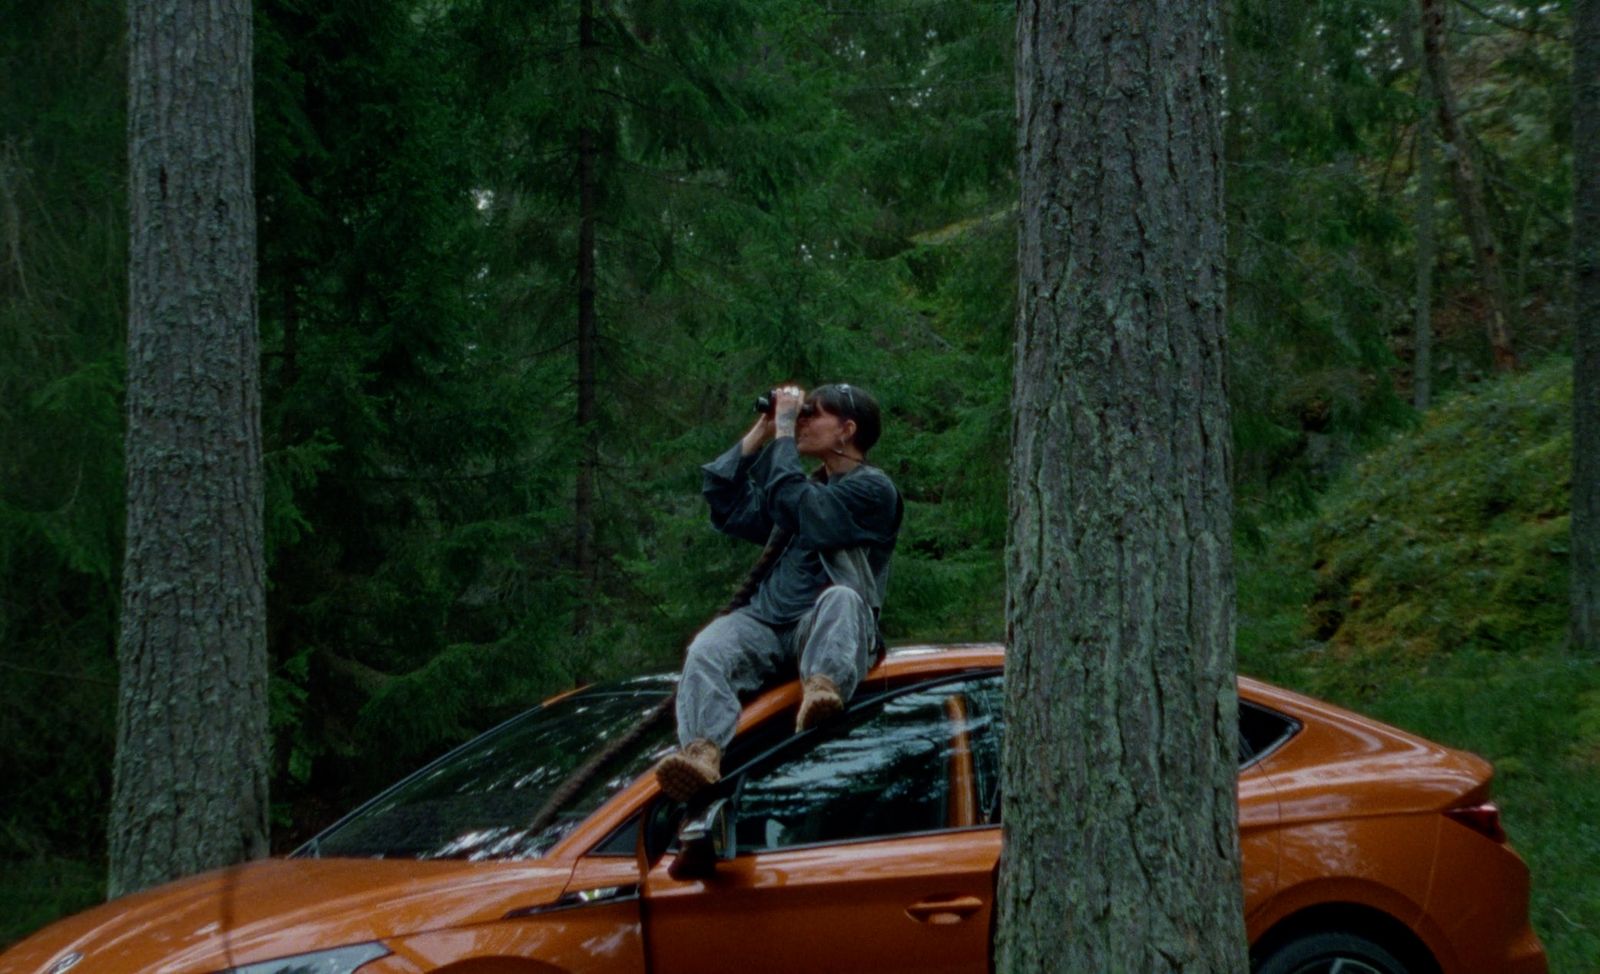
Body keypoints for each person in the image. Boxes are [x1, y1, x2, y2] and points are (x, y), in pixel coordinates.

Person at [654, 383, 902, 802]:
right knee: (708, 648)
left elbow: (801, 505)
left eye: (812, 414)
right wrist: (764, 429)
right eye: (800, 414)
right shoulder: (803, 486)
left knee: (841, 597)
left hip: (823, 627)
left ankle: (825, 688)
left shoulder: (873, 490)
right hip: (768, 623)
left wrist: (786, 430)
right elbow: (728, 503)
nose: (801, 421)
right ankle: (702, 753)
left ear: (847, 429)